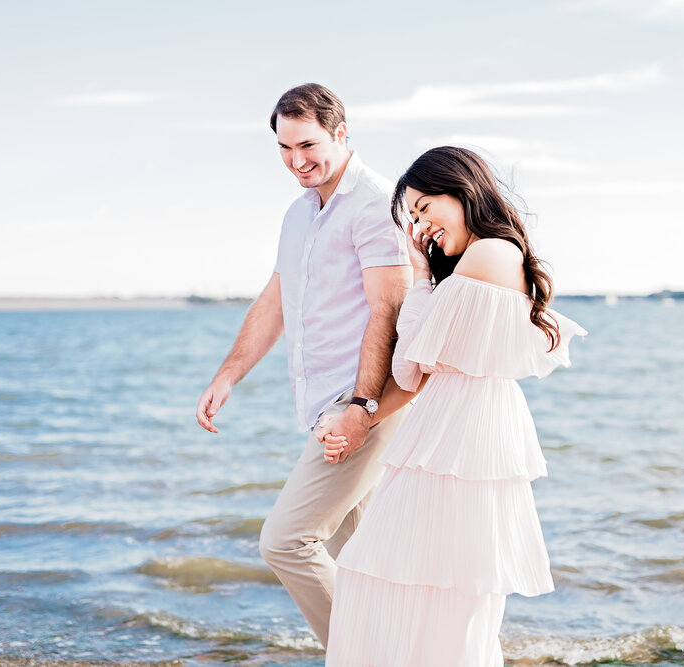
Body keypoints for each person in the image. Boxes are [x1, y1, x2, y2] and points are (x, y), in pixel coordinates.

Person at [319, 146, 587, 666]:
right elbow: (412, 371)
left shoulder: (492, 253)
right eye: (412, 218)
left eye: (423, 209)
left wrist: (419, 273)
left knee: (450, 590)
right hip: (448, 428)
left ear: (461, 189)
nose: (420, 226)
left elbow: (412, 355)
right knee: (404, 579)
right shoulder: (470, 265)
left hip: (467, 435)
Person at [194, 83, 416, 647]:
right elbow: (277, 298)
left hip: (361, 404)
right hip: (324, 407)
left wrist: (362, 409)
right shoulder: (298, 213)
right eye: (285, 149)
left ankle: (365, 656)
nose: (297, 161)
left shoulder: (375, 204)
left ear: (342, 133)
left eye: (308, 145)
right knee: (364, 560)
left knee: (286, 542)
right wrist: (228, 374)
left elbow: (389, 311)